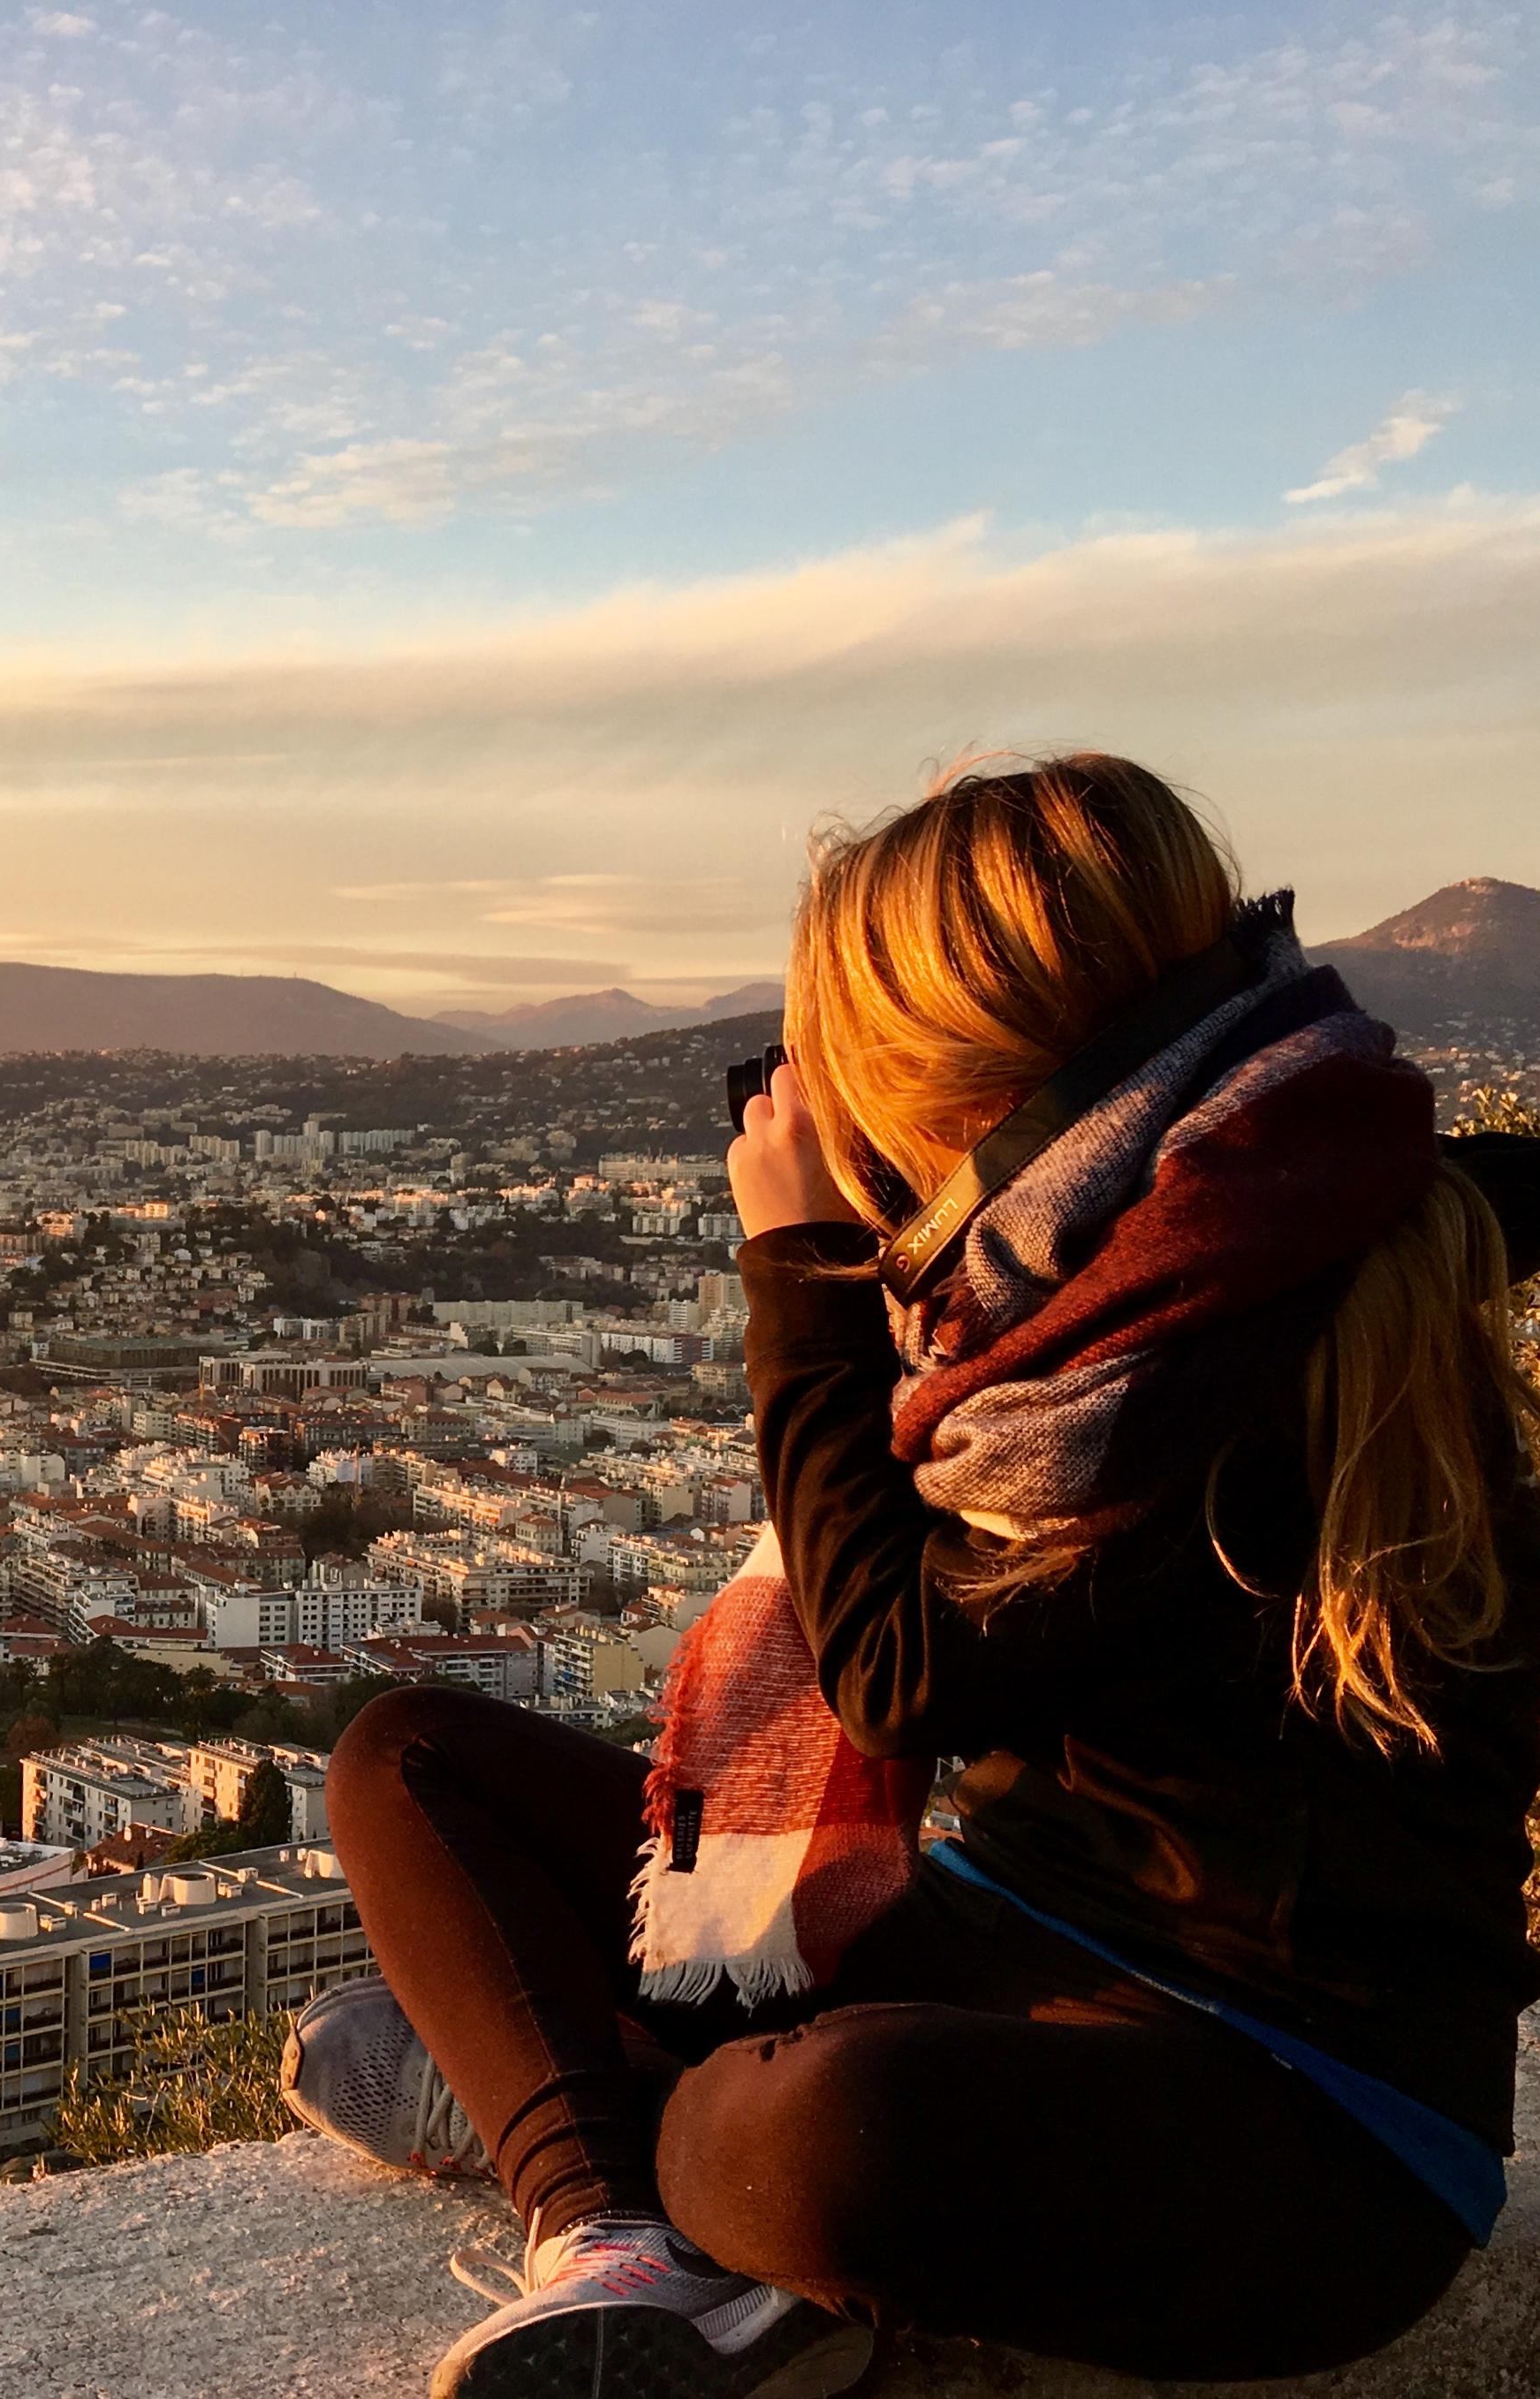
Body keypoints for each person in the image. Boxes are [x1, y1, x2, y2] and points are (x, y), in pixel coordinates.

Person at [284, 755, 1540, 2399]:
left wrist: (802, 1272)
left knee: (809, 2132)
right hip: (1007, 1933)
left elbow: (903, 1676)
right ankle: (610, 2227)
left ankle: (602, 2119)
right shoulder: (1140, 1273)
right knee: (411, 1756)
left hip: (1301, 2119)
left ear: (941, 1085)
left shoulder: (1226, 1334)